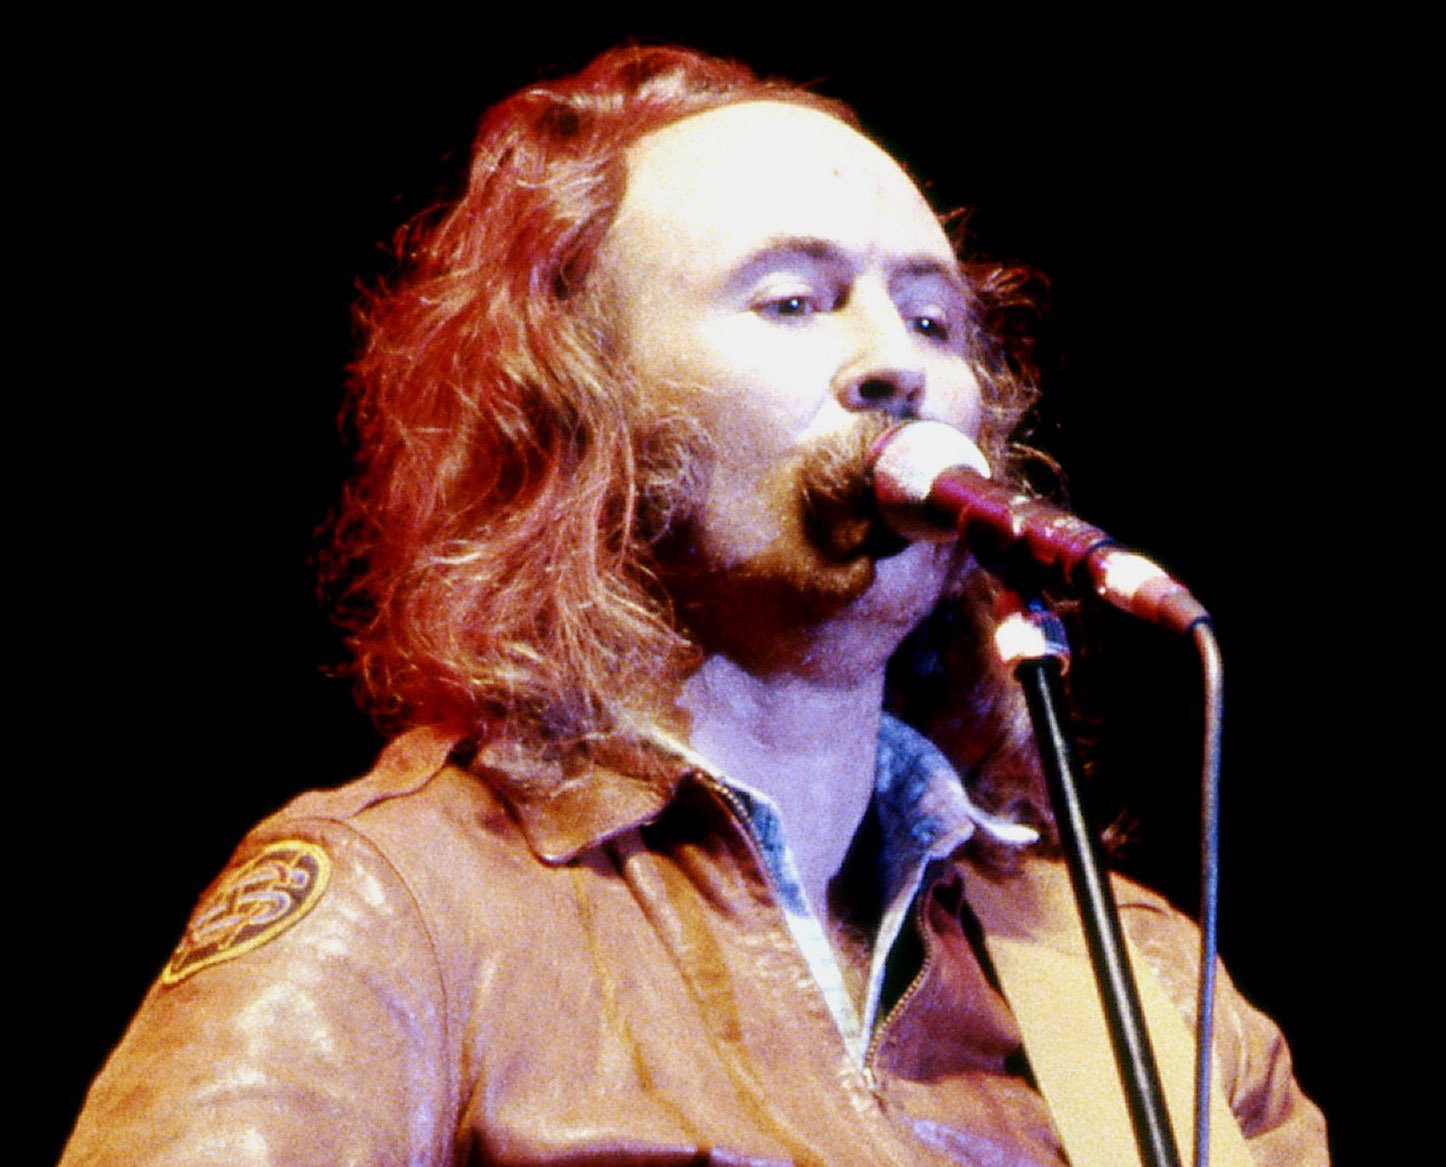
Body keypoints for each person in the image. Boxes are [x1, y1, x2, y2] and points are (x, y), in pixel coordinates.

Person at [62, 46, 1326, 1166]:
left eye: (933, 317)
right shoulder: (408, 909)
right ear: (584, 414)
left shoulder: (1137, 987)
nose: (901, 359)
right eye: (793, 301)